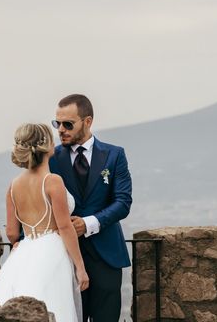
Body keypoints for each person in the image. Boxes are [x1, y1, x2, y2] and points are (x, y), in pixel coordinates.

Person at [0, 123, 89, 322]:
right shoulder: (52, 181)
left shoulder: (14, 185)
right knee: (53, 304)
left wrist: (19, 244)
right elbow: (64, 227)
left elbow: (12, 232)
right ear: (46, 145)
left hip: (25, 250)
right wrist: (80, 267)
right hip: (52, 251)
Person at [50, 94, 132, 322]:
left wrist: (88, 223)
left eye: (68, 124)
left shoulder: (114, 155)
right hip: (64, 257)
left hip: (106, 255)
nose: (61, 130)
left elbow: (123, 202)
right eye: (57, 124)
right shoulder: (51, 158)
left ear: (87, 122)